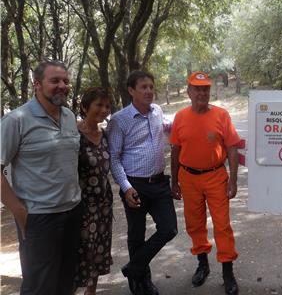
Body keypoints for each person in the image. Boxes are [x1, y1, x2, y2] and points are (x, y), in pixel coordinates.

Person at [0, 60, 82, 295]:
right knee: (39, 286)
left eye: (65, 81)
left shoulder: (68, 116)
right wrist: (18, 210)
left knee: (67, 281)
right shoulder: (17, 120)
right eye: (54, 80)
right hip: (38, 217)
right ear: (37, 84)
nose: (62, 85)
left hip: (72, 212)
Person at [170, 71, 240, 295]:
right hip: (188, 178)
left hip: (216, 176)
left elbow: (232, 148)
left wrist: (234, 180)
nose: (202, 93)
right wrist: (174, 181)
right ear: (189, 91)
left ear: (210, 91)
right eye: (197, 89)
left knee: (222, 224)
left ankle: (227, 271)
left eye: (205, 89)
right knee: (195, 224)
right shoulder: (180, 117)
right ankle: (203, 264)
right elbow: (175, 149)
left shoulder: (221, 115)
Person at [107, 70, 177, 295]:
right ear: (131, 91)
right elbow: (114, 158)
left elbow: (169, 125)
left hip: (159, 183)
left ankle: (134, 267)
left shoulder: (157, 111)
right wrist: (126, 188)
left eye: (151, 87)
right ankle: (141, 282)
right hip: (135, 185)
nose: (148, 91)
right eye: (143, 87)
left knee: (169, 229)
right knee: (136, 235)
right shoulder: (119, 120)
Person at [74, 87, 114, 294]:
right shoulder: (73, 134)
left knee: (98, 251)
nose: (104, 109)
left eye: (107, 106)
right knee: (81, 254)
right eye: (99, 104)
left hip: (104, 204)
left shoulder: (105, 134)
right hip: (82, 206)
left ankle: (91, 293)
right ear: (84, 106)